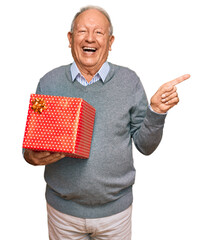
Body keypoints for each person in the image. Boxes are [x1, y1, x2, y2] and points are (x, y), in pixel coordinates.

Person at [24, 5, 190, 240]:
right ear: (70, 39)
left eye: (98, 33)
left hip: (116, 214)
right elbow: (31, 145)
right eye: (81, 31)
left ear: (110, 42)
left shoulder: (129, 81)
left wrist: (156, 111)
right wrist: (30, 156)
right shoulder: (49, 82)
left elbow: (146, 146)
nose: (89, 38)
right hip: (62, 213)